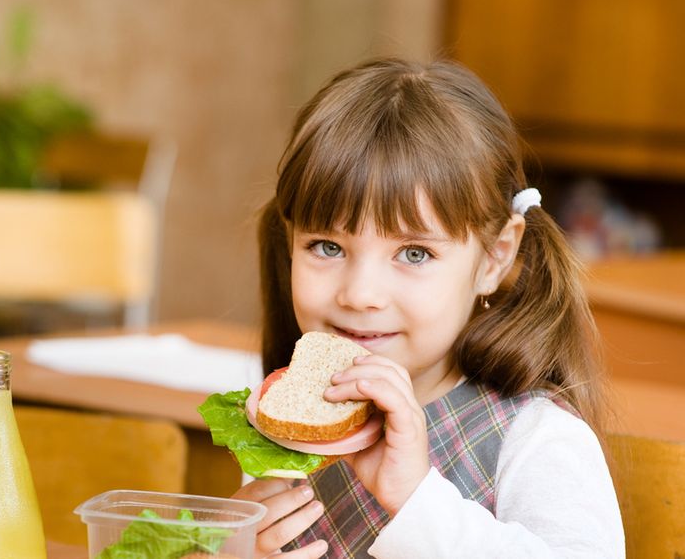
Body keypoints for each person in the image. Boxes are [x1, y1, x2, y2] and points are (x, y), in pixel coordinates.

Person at [233, 57, 624, 558]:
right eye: (326, 247)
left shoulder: (535, 441)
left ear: (494, 258)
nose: (359, 294)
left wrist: (418, 501)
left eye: (414, 254)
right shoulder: (285, 424)